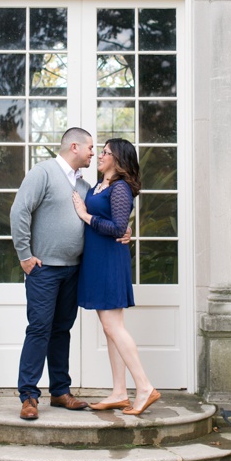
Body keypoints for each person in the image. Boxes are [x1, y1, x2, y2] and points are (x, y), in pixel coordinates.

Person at [10, 127, 95, 420]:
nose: (93, 153)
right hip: (43, 270)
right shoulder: (42, 172)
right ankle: (29, 396)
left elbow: (101, 216)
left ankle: (60, 391)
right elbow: (19, 211)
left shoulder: (83, 185)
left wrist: (125, 231)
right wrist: (25, 255)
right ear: (75, 146)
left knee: (61, 331)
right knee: (39, 329)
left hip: (73, 270)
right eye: (90, 148)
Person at [73, 138, 160, 416]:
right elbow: (119, 225)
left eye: (106, 152)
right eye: (100, 151)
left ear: (118, 159)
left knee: (114, 328)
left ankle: (145, 387)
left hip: (109, 261)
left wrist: (85, 215)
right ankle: (120, 392)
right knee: (110, 329)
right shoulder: (101, 185)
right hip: (98, 261)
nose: (100, 155)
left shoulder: (120, 187)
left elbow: (118, 227)